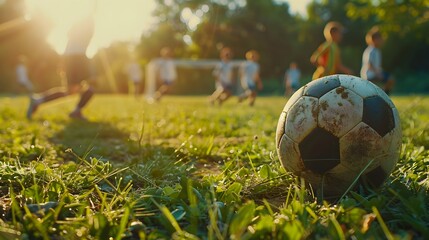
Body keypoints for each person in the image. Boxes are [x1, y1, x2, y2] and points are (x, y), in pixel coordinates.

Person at [26, 11, 95, 120]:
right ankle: (76, 111)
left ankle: (38, 100)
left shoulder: (77, 28)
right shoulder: (83, 23)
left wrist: (63, 62)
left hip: (73, 58)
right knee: (89, 86)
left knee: (73, 90)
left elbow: (68, 45)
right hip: (77, 59)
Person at [360, 26, 394, 95]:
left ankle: (383, 95)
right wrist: (378, 74)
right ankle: (384, 96)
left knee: (390, 80)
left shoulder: (377, 50)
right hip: (369, 75)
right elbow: (369, 64)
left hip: (375, 73)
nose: (382, 41)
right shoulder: (371, 50)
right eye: (380, 39)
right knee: (390, 79)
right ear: (374, 40)